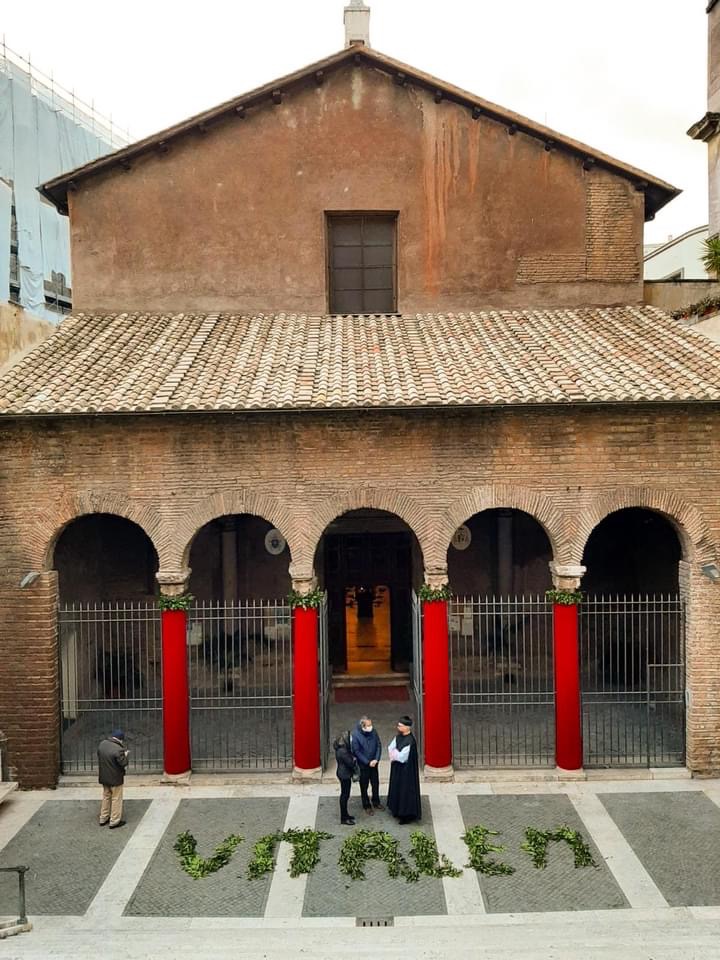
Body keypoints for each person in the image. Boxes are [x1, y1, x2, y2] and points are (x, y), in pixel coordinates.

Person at [386, 715, 421, 825]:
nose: (398, 727)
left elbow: (402, 757)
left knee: (405, 792)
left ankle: (406, 815)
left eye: (400, 726)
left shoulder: (410, 741)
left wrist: (395, 753)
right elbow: (390, 747)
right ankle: (396, 809)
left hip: (406, 772)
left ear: (407, 727)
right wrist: (395, 753)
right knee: (397, 789)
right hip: (398, 770)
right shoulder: (398, 737)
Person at [351, 715, 384, 815]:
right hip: (363, 766)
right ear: (363, 726)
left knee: (375, 783)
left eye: (371, 725)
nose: (371, 727)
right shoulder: (356, 735)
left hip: (374, 763)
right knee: (364, 786)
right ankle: (366, 805)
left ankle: (376, 801)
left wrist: (376, 759)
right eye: (368, 725)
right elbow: (356, 751)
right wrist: (367, 762)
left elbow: (378, 745)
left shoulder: (373, 732)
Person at [98, 729, 129, 829]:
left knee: (106, 796)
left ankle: (103, 817)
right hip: (115, 778)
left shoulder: (102, 744)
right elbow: (123, 763)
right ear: (120, 740)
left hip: (104, 776)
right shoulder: (118, 749)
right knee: (116, 798)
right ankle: (114, 821)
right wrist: (125, 755)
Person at [332, 731, 357, 826]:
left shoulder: (340, 749)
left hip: (342, 773)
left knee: (345, 795)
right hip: (345, 775)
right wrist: (354, 760)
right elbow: (350, 763)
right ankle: (344, 817)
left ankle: (346, 815)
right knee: (345, 795)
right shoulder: (343, 751)